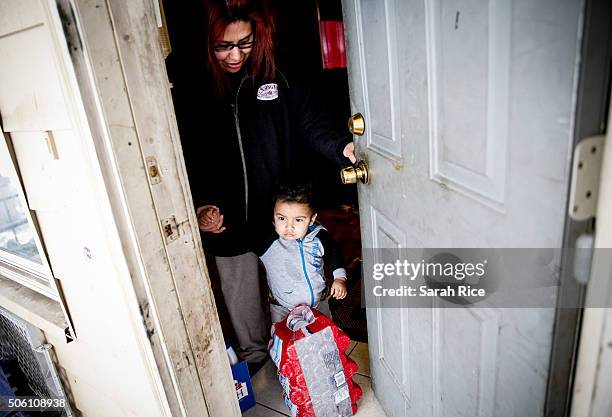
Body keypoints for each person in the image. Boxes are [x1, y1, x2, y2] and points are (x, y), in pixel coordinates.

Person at [178, 0, 356, 371]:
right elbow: (184, 152)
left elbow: (312, 124)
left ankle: (300, 357)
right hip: (227, 222)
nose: (235, 55)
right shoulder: (191, 83)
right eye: (223, 46)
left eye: (245, 43)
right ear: (207, 42)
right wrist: (199, 206)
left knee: (292, 294)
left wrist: (343, 147)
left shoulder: (278, 73)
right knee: (241, 301)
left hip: (280, 217)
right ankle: (259, 363)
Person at [259, 181, 348, 323]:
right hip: (282, 308)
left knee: (323, 335)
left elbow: (334, 255)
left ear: (312, 219)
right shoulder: (267, 241)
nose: (289, 226)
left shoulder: (320, 237)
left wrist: (340, 278)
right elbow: (240, 241)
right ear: (273, 216)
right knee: (284, 342)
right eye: (282, 218)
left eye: (298, 220)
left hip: (319, 303)